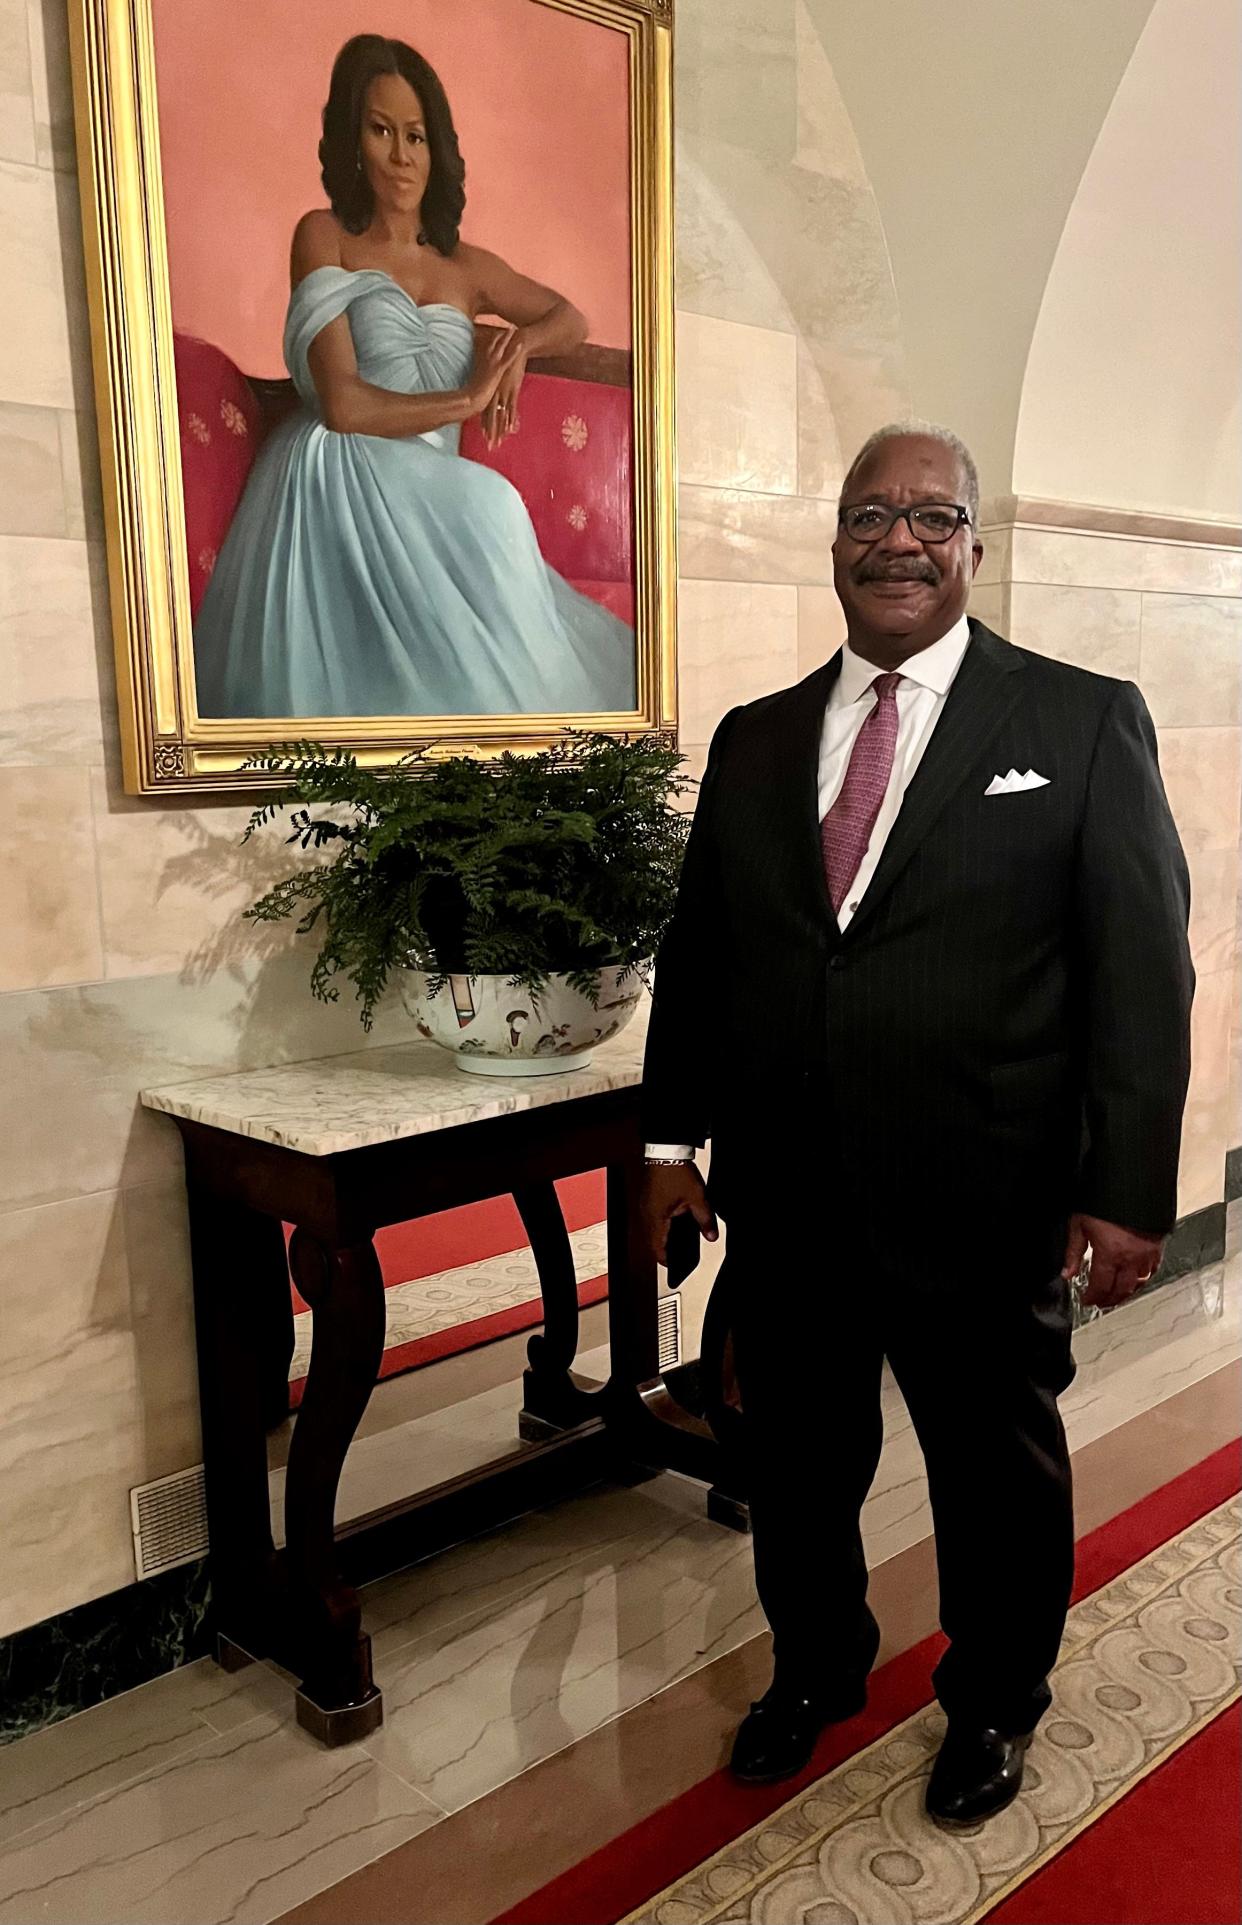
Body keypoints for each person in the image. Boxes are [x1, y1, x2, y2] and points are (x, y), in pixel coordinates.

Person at [640, 424, 1193, 1826]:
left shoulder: (1074, 720)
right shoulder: (757, 739)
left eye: (931, 516)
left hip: (985, 1189)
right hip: (791, 1191)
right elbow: (707, 953)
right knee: (796, 1458)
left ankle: (996, 1698)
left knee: (990, 1471)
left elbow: (1141, 969)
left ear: (971, 547)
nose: (899, 538)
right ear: (832, 541)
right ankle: (816, 1667)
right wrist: (664, 1144)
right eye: (868, 514)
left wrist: (1125, 1192)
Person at [192, 33, 636, 720]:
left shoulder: (465, 265)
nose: (401, 156)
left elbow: (569, 318)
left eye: (416, 136)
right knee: (491, 505)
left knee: (485, 508)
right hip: (338, 464)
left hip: (432, 478)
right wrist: (470, 395)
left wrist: (520, 345)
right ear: (352, 139)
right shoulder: (324, 235)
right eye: (381, 131)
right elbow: (341, 404)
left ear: (437, 150)